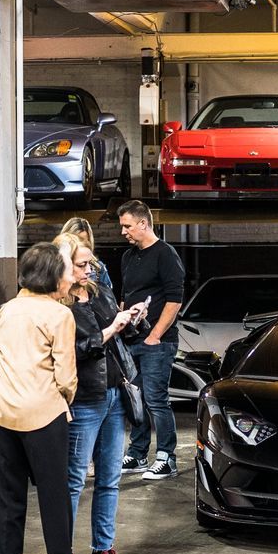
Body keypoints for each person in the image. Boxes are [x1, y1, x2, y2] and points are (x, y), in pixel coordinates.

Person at [0, 241, 91, 554]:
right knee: (54, 497)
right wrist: (66, 401)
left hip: (1, 413)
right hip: (43, 415)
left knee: (10, 499)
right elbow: (66, 376)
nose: (70, 277)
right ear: (53, 276)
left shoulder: (9, 309)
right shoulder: (60, 315)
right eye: (65, 270)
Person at [57, 231, 141, 554]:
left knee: (110, 479)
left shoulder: (99, 293)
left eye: (90, 262)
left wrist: (132, 320)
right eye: (81, 264)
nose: (88, 269)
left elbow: (123, 337)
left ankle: (103, 551)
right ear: (64, 265)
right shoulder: (57, 306)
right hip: (85, 400)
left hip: (114, 395)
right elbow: (74, 351)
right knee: (74, 482)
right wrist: (110, 330)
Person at [117, 200, 185, 480]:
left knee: (156, 399)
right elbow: (126, 296)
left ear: (143, 224)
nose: (123, 232)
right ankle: (138, 453)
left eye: (127, 226)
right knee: (135, 399)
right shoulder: (128, 257)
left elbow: (175, 300)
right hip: (131, 341)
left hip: (158, 342)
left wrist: (155, 336)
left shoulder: (165, 254)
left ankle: (166, 458)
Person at [61, 217, 114, 293]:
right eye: (75, 240)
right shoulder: (55, 268)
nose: (79, 245)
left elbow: (108, 297)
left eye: (83, 241)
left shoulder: (98, 268)